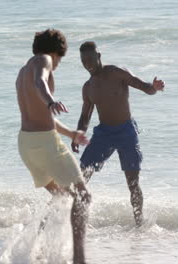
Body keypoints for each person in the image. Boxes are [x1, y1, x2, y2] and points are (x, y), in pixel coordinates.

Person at [16, 29, 91, 264]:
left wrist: (72, 134)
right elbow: (41, 81)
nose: (56, 65)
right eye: (60, 59)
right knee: (83, 196)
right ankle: (79, 259)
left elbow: (41, 116)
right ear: (56, 52)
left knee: (62, 197)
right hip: (46, 144)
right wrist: (51, 100)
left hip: (27, 144)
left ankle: (35, 249)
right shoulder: (43, 60)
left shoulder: (21, 73)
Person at [72, 41, 165, 226]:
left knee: (132, 182)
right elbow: (85, 115)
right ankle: (77, 219)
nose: (87, 63)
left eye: (90, 58)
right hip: (103, 134)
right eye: (83, 60)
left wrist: (154, 87)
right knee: (81, 177)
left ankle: (139, 224)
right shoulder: (88, 87)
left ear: (99, 56)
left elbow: (143, 87)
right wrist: (79, 133)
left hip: (126, 131)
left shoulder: (116, 72)